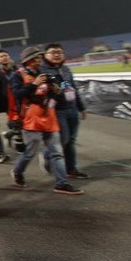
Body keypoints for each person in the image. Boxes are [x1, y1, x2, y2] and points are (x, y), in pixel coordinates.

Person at [9, 48, 84, 195]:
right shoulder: (18, 75)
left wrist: (56, 91)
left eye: (39, 58)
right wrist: (34, 84)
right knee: (30, 151)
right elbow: (17, 94)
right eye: (36, 58)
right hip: (32, 117)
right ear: (28, 60)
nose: (39, 60)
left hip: (49, 116)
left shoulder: (44, 74)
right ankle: (18, 171)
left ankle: (61, 183)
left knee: (57, 152)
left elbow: (52, 94)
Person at [41, 44, 89, 179]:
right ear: (45, 55)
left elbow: (73, 89)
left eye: (60, 52)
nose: (57, 55)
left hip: (72, 108)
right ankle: (47, 155)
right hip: (57, 110)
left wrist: (81, 107)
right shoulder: (41, 71)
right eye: (53, 52)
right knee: (64, 139)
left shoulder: (66, 69)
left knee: (71, 140)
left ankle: (71, 169)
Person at [0, 50, 21, 155]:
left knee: (22, 122)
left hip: (17, 99)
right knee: (16, 122)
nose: (4, 57)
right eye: (1, 56)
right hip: (5, 102)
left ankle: (9, 135)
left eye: (6, 55)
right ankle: (20, 145)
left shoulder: (15, 69)